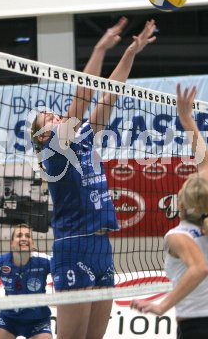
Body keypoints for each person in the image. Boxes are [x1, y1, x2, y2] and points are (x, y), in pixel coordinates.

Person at [31, 18, 156, 339]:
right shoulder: (53, 152)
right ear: (43, 136)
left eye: (57, 115)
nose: (58, 118)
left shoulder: (84, 137)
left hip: (101, 245)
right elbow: (83, 94)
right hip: (73, 246)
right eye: (52, 119)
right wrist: (100, 48)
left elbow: (110, 92)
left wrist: (131, 51)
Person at [131, 84, 208, 339]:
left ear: (178, 204)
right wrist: (186, 119)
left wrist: (161, 305)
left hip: (199, 331)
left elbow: (199, 269)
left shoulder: (178, 236)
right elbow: (205, 163)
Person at [0, 223, 52, 339]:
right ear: (11, 244)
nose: (24, 238)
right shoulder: (1, 261)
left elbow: (61, 270)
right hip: (9, 319)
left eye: (28, 236)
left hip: (38, 321)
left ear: (33, 244)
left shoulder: (44, 261)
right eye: (19, 235)